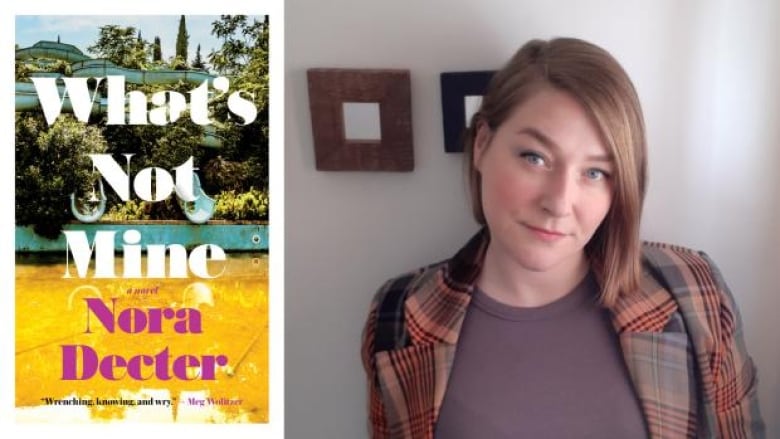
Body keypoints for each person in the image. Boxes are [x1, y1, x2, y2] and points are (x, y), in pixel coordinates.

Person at [360, 37, 765, 438]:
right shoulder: (397, 317)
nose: (559, 203)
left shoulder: (696, 292)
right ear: (482, 144)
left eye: (595, 173)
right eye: (534, 157)